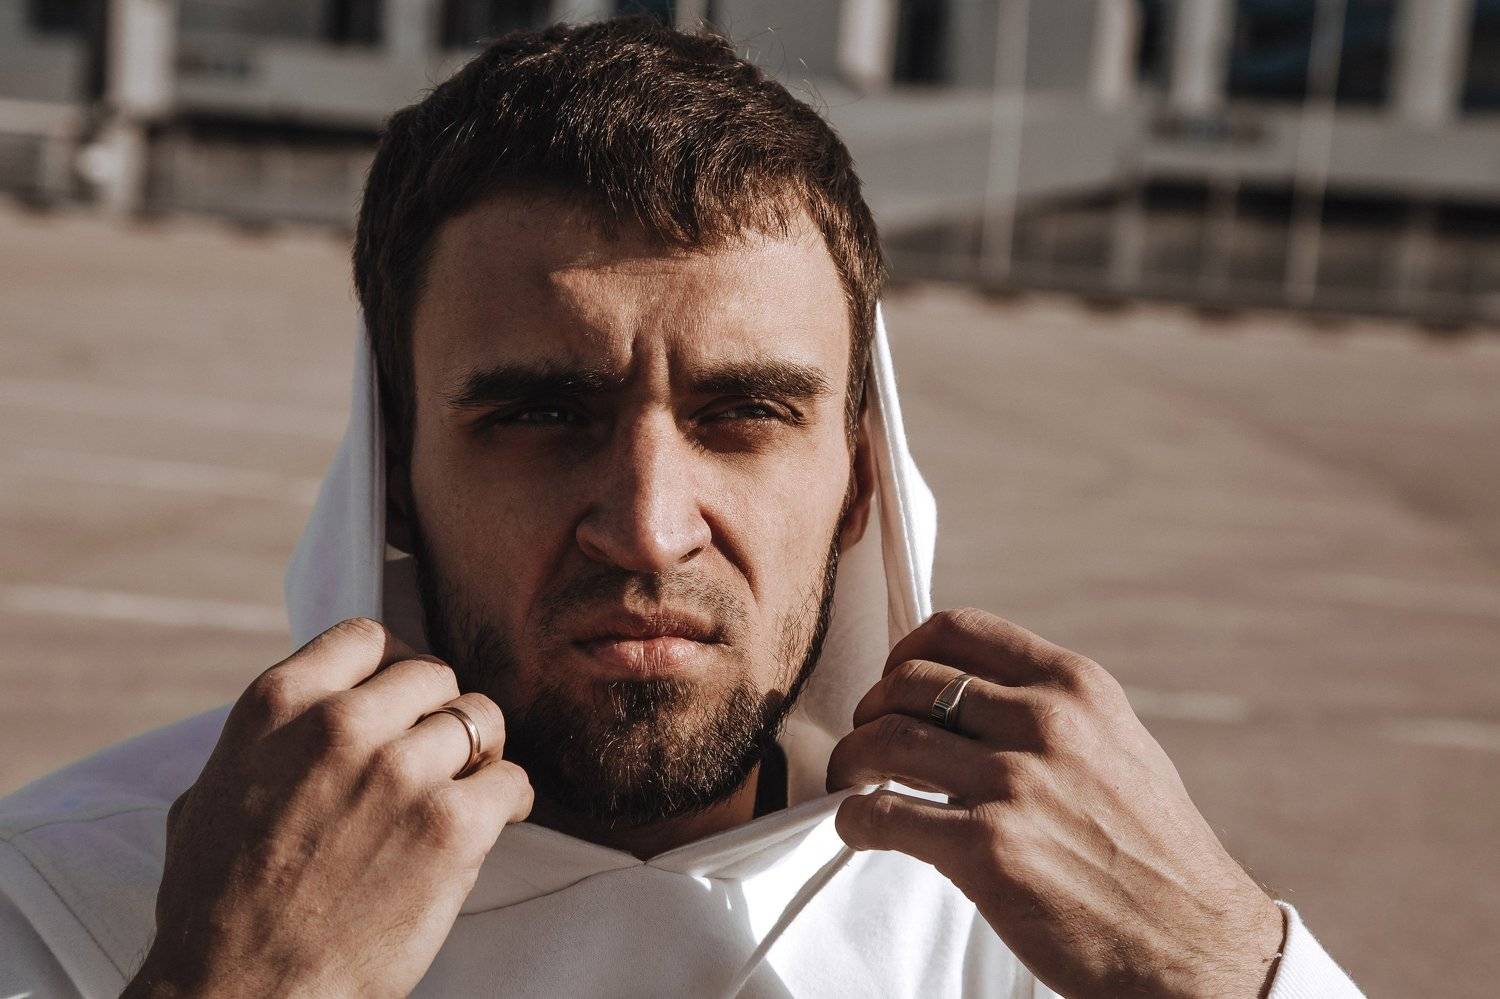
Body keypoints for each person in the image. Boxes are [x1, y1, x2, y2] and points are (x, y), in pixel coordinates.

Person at [0, 17, 1364, 998]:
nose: (651, 526)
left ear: (861, 479)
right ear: (393, 475)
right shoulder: (77, 899)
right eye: (542, 416)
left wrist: (1225, 966)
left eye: (745, 413)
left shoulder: (1031, 925)